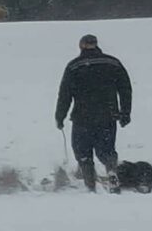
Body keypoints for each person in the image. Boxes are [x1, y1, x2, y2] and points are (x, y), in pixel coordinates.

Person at [55, 34, 132, 193]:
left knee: (83, 152)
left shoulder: (74, 66)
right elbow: (125, 89)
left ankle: (90, 186)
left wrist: (60, 116)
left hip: (82, 117)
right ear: (96, 45)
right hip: (108, 115)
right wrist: (125, 113)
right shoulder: (113, 63)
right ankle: (111, 171)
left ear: (81, 46)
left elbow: (65, 95)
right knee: (107, 150)